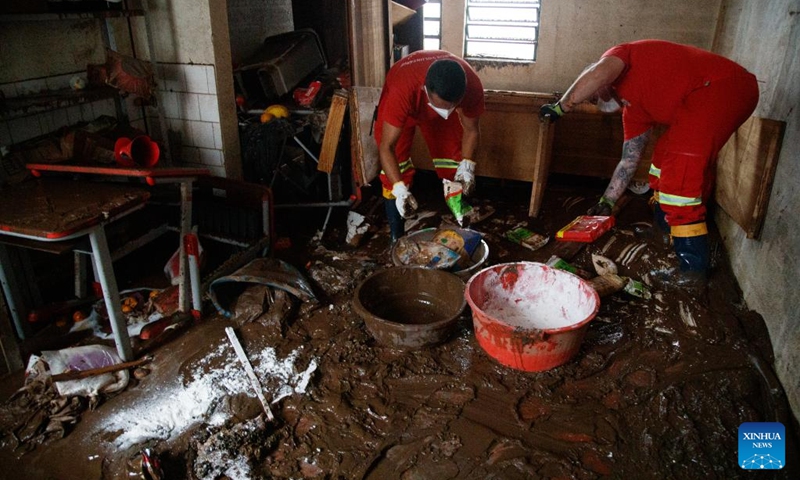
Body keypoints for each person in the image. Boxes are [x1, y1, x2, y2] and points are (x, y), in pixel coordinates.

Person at [539, 39, 759, 289]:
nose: (595, 96)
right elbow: (628, 161)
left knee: (680, 176)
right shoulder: (632, 110)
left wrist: (561, 107)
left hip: (722, 88)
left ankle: (693, 270)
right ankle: (664, 231)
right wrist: (607, 201)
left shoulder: (618, 55)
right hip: (703, 97)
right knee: (662, 163)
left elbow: (599, 72)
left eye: (595, 93)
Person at [374, 50, 485, 242]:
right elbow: (386, 147)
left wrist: (468, 166)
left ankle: (461, 217)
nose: (446, 112)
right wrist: (399, 189)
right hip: (407, 103)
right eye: (441, 106)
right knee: (394, 169)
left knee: (454, 161)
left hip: (442, 98)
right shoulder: (402, 90)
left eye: (452, 106)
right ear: (425, 89)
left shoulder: (472, 86)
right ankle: (397, 236)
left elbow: (472, 130)